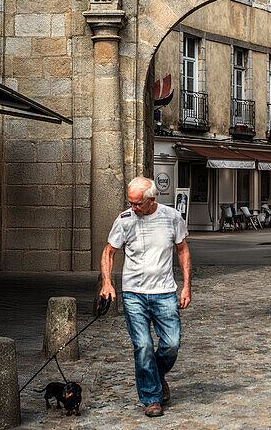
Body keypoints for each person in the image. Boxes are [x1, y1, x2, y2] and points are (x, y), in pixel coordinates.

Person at [100, 176, 192, 418]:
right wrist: (108, 283)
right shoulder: (124, 221)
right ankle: (151, 397)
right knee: (143, 346)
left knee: (171, 344)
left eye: (137, 204)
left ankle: (156, 376)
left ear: (152, 200)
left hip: (164, 292)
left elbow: (182, 250)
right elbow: (109, 252)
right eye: (130, 202)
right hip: (133, 294)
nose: (133, 208)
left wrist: (186, 287)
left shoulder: (172, 217)